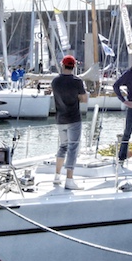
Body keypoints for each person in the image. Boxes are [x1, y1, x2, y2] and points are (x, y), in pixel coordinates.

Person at [51, 55, 88, 189]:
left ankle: (56, 176)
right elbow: (84, 99)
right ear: (74, 66)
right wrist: (78, 96)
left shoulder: (55, 81)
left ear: (62, 65)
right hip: (73, 119)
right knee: (73, 148)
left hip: (60, 119)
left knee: (63, 146)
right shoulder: (77, 81)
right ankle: (69, 180)